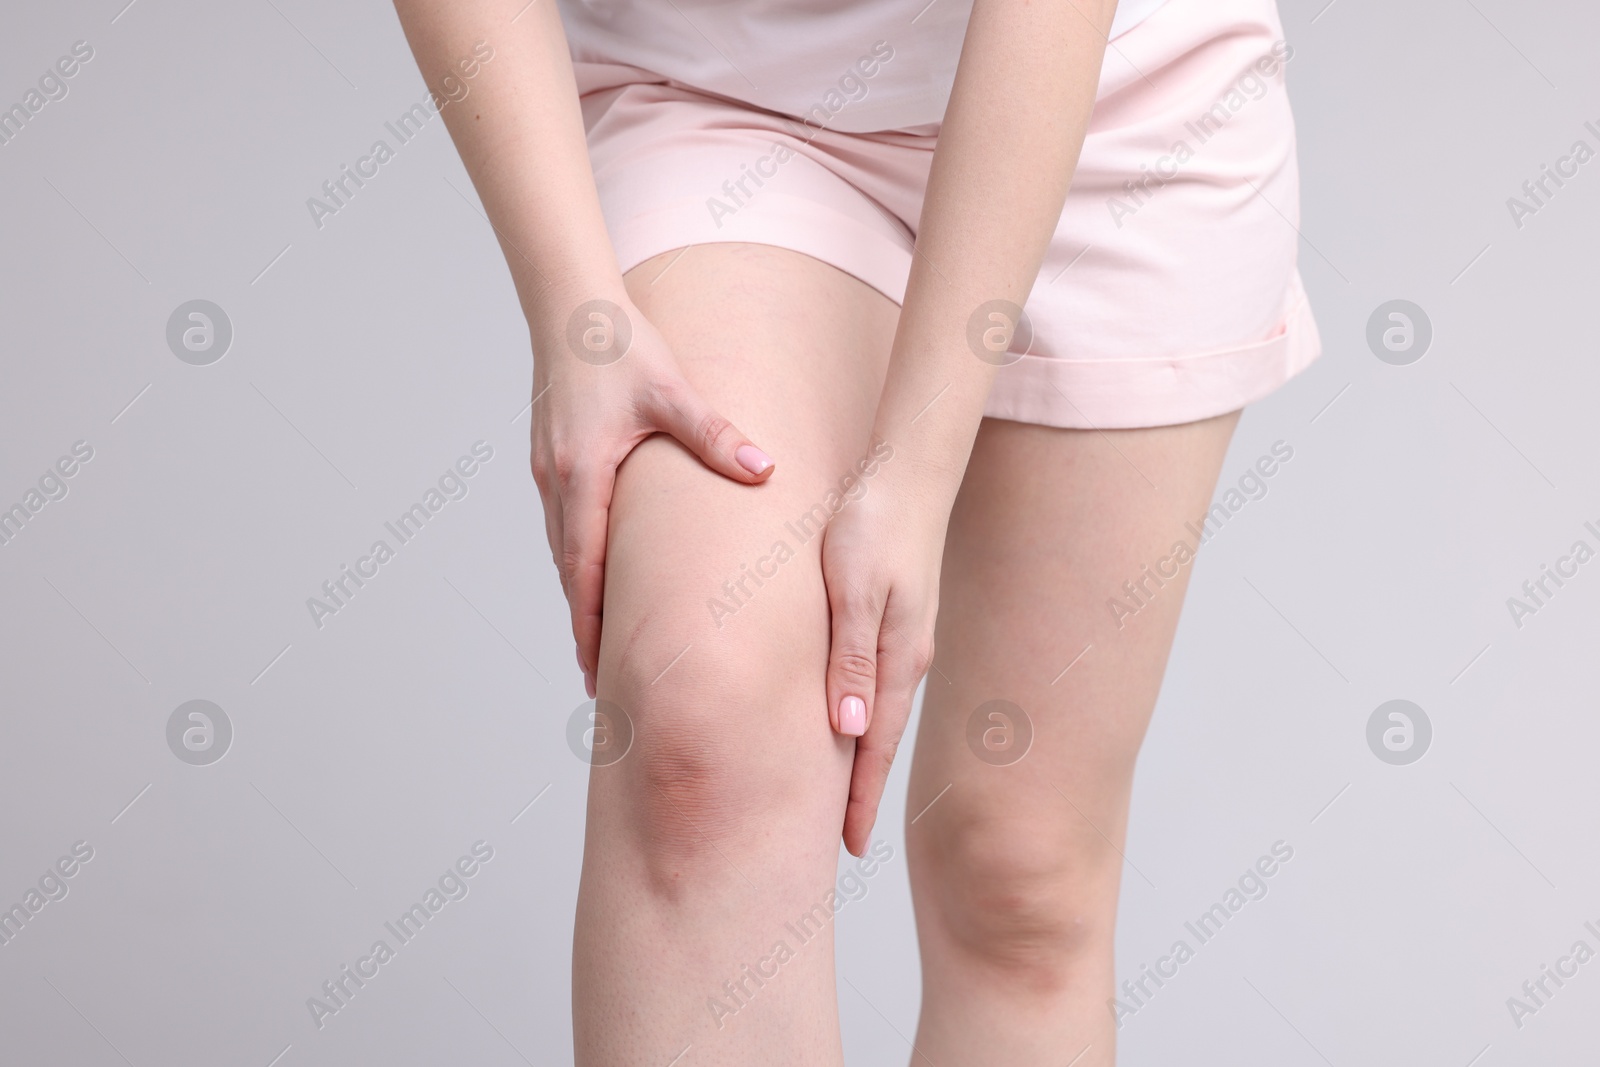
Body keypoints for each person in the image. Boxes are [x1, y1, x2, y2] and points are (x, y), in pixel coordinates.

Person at [393, 0, 1318, 1062]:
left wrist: (914, 471)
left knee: (1018, 874)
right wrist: (571, 310)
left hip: (1115, 97)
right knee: (701, 731)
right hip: (735, 91)